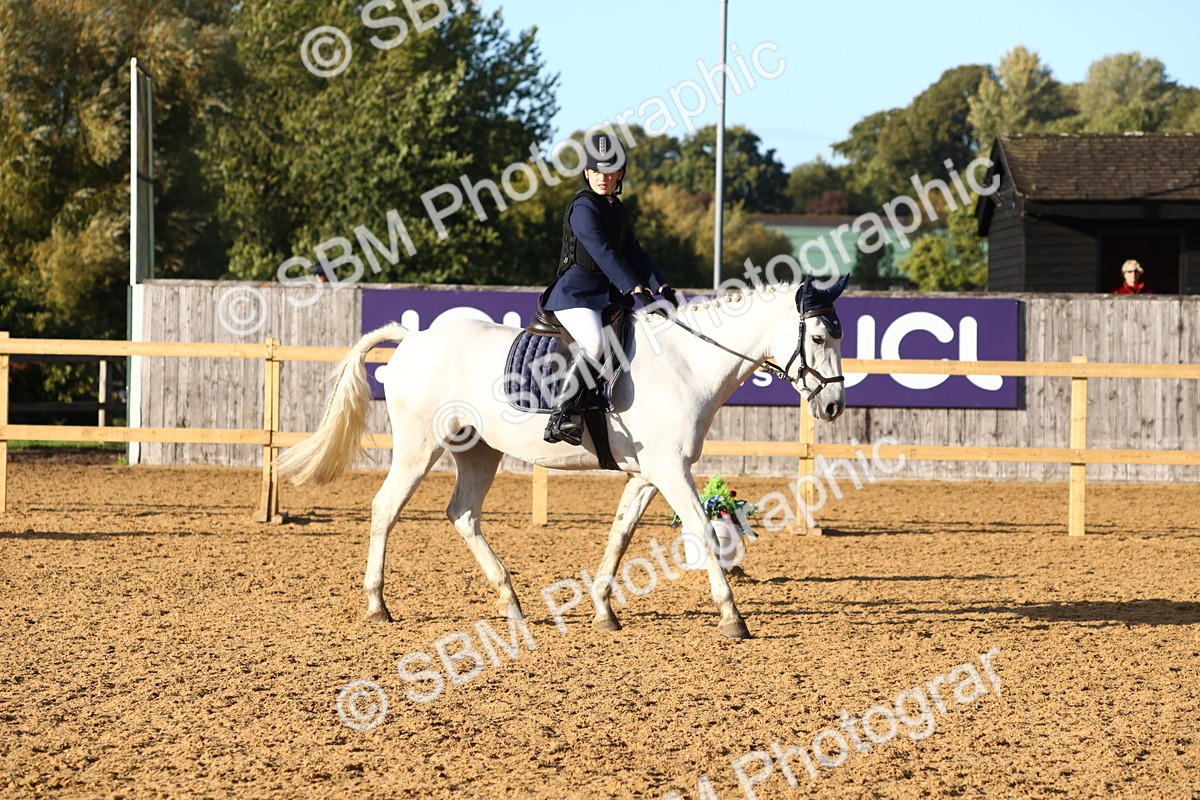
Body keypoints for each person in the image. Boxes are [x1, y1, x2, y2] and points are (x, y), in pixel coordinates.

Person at [539, 131, 679, 446]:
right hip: (576, 293)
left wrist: (662, 286)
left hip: (605, 297)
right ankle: (559, 416)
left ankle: (598, 399)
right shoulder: (583, 207)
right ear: (587, 172)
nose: (603, 178)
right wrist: (634, 288)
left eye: (610, 171)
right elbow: (603, 252)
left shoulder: (616, 208)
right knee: (593, 341)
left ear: (620, 174)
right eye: (597, 171)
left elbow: (634, 251)